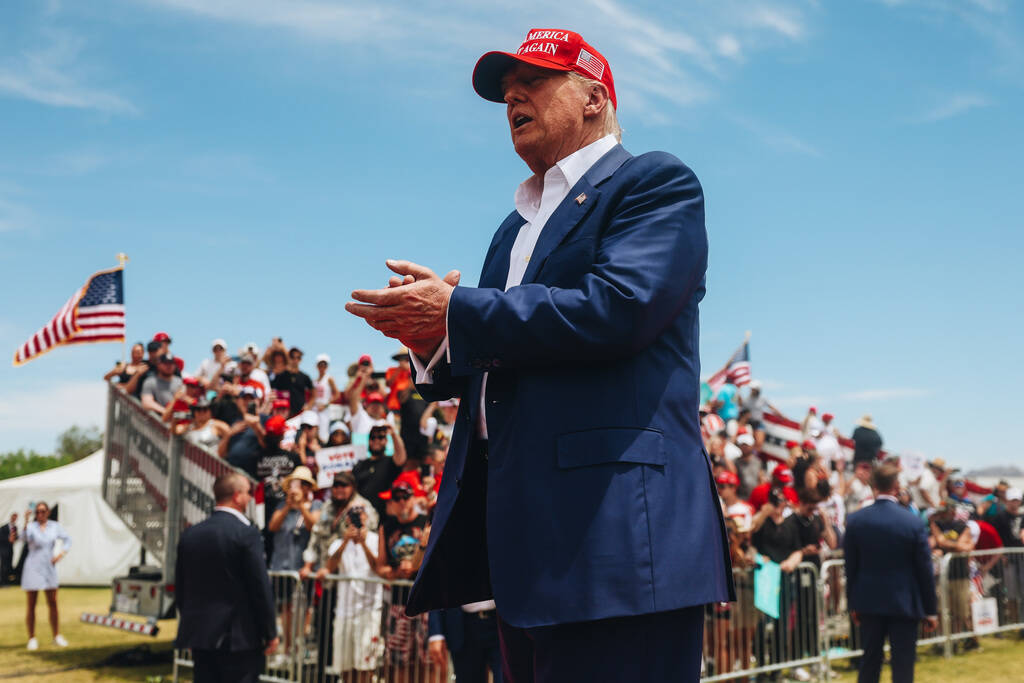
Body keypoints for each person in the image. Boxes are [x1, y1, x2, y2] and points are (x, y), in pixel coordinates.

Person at [345, 28, 732, 682]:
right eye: (504, 92)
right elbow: (503, 354)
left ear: (594, 97)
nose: (512, 97)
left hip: (616, 548)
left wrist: (458, 309)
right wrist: (434, 344)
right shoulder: (514, 227)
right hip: (529, 556)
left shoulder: (654, 182)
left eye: (535, 80)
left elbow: (620, 309)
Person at [175, 473, 279, 682]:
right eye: (249, 493)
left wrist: (190, 620)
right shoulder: (245, 534)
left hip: (200, 634)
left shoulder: (191, 534)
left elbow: (181, 585)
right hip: (239, 636)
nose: (250, 498)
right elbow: (259, 586)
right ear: (237, 496)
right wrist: (270, 631)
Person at [844, 463, 937, 683]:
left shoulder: (856, 520)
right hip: (904, 603)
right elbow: (925, 569)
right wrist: (930, 609)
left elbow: (851, 567)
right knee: (903, 665)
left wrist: (853, 603)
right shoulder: (912, 522)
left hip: (868, 601)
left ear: (873, 485)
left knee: (870, 662)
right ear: (896, 486)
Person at [20, 502, 71, 650]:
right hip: (33, 567)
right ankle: (32, 637)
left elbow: (68, 539)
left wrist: (61, 554)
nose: (40, 514)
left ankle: (56, 635)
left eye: (42, 511)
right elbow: (24, 538)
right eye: (38, 512)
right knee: (31, 604)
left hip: (49, 567)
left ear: (48, 512)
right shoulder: (31, 527)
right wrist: (26, 521)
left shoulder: (54, 526)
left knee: (53, 602)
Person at [1, 512, 17, 585]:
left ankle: (7, 581)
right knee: (4, 566)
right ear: (11, 517)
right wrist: (8, 539)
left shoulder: (15, 528)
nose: (14, 518)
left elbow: (15, 537)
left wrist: (14, 539)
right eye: (13, 516)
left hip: (11, 549)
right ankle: (2, 581)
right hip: (4, 550)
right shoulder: (4, 527)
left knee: (9, 565)